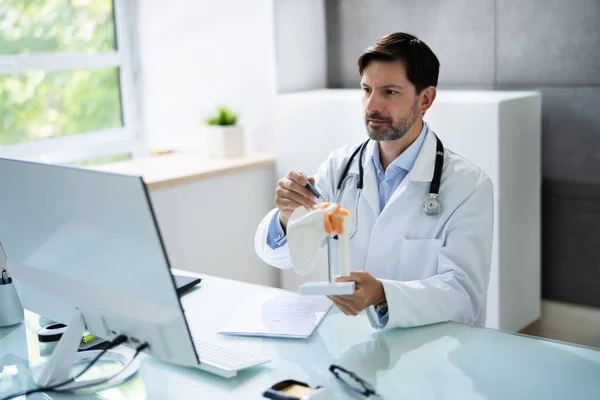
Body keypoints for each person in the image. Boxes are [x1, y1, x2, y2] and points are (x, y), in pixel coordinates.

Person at [255, 32, 493, 329]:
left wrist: (382, 294)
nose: (372, 106)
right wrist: (289, 217)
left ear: (425, 99)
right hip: (349, 341)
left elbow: (464, 298)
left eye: (389, 92)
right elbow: (280, 257)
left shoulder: (468, 187)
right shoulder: (339, 168)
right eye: (367, 90)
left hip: (429, 350)